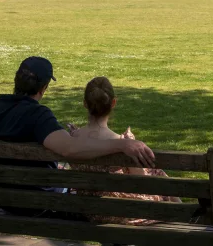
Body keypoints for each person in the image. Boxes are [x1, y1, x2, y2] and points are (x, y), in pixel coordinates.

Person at [0, 58, 155, 219]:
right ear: (44, 88)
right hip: (41, 204)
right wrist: (122, 144)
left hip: (4, 200)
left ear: (16, 80)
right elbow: (70, 149)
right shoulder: (38, 116)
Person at [68, 77, 180, 225]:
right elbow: (140, 182)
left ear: (84, 104)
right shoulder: (124, 142)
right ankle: (185, 216)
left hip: (90, 211)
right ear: (113, 103)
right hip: (122, 212)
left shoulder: (72, 139)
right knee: (158, 174)